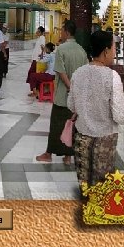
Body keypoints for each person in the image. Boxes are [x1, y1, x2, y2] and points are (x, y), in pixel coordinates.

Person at [67, 30, 124, 195]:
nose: (115, 52)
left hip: (82, 137)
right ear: (106, 50)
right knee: (102, 187)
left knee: (85, 186)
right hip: (105, 139)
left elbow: (71, 105)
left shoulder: (78, 73)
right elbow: (120, 115)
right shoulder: (112, 76)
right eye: (114, 47)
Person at [36, 20, 89, 164]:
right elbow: (85, 73)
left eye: (62, 30)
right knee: (71, 126)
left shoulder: (61, 49)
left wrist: (70, 88)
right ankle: (68, 156)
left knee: (56, 126)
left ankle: (48, 154)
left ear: (66, 32)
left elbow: (61, 71)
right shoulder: (81, 50)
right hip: (76, 97)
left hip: (62, 96)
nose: (60, 33)